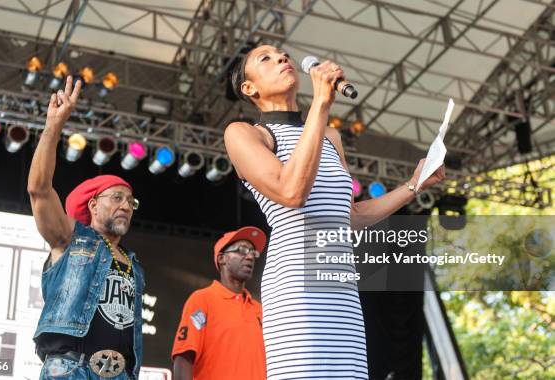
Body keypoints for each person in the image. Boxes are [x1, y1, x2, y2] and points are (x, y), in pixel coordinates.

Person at [224, 45, 446, 379]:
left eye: (283, 54)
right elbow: (291, 191)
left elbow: (351, 216)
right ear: (249, 88)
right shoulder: (246, 134)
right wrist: (321, 104)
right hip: (296, 286)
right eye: (266, 58)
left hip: (341, 290)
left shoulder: (329, 136)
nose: (282, 59)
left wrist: (414, 184)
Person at [28, 76, 145, 380]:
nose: (124, 205)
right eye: (116, 197)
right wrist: (53, 126)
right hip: (72, 369)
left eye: (130, 202)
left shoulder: (133, 263)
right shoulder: (72, 238)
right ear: (93, 205)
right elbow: (39, 190)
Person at [171, 226, 268, 380]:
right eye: (242, 250)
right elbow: (184, 357)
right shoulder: (202, 300)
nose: (250, 257)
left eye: (253, 252)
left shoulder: (261, 310)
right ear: (222, 258)